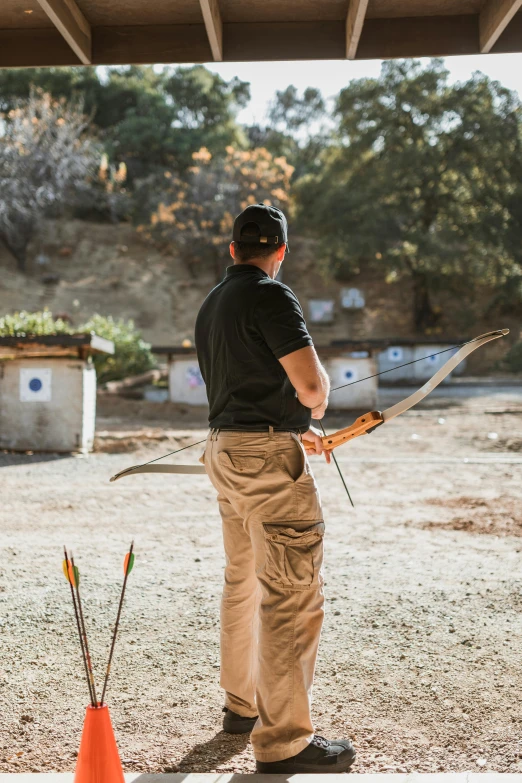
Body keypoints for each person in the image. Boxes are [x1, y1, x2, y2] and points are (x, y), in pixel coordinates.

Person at [194, 204, 356, 773]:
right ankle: (284, 740)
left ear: (233, 249)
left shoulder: (213, 301)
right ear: (280, 253)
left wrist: (292, 426)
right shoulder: (271, 295)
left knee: (242, 580)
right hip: (263, 460)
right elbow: (310, 384)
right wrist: (314, 404)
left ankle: (242, 706)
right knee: (289, 589)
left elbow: (247, 384)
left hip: (224, 451)